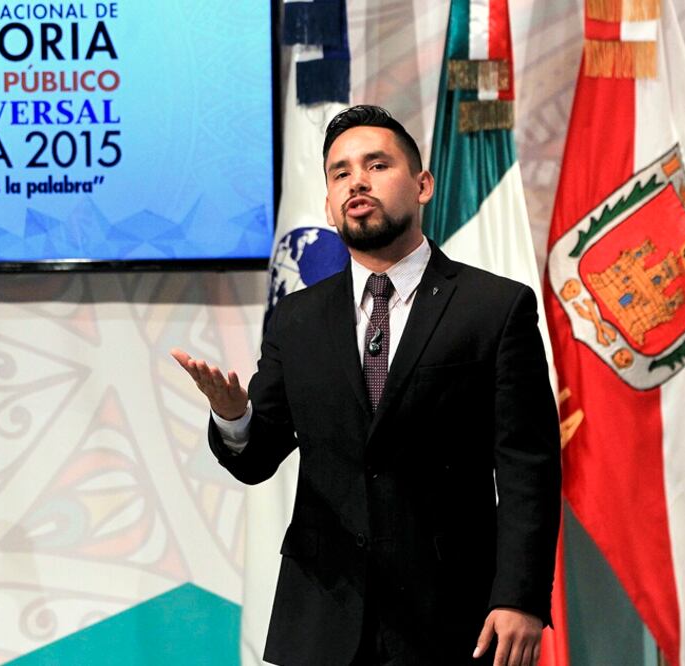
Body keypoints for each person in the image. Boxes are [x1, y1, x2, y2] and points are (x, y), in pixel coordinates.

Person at [171, 105, 560, 666]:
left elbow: (528, 467)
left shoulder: (495, 308)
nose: (357, 180)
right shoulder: (298, 319)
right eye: (340, 172)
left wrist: (520, 598)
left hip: (452, 621)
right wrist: (235, 417)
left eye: (377, 165)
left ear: (423, 184)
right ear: (330, 205)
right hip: (322, 620)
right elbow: (258, 457)